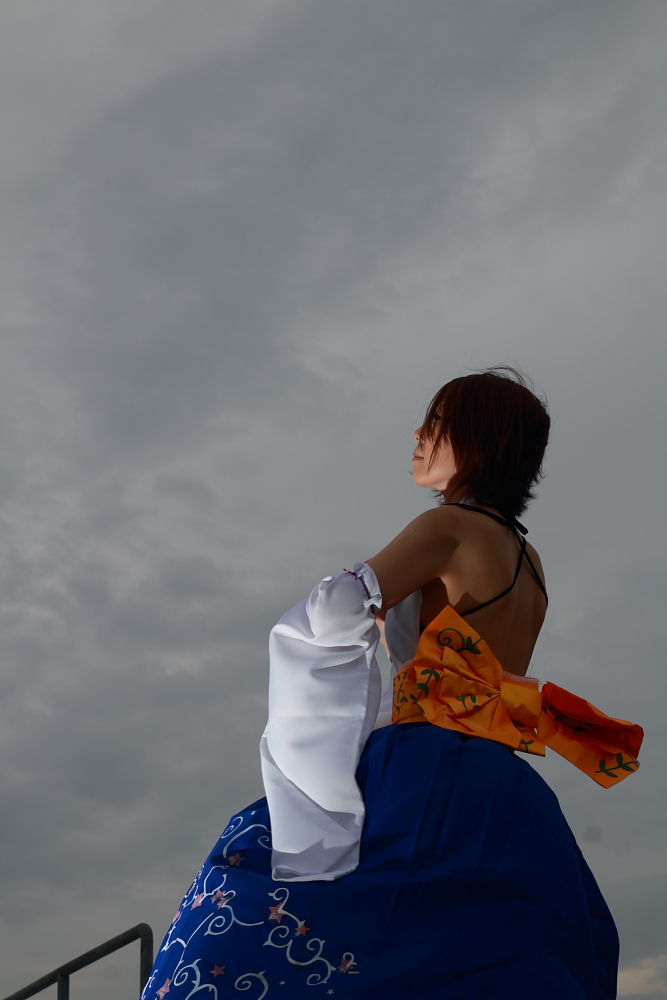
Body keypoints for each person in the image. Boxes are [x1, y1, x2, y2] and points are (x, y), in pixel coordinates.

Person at [141, 368, 642, 1000]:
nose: (418, 435)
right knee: (479, 957)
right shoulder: (532, 564)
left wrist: (340, 626)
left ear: (479, 441)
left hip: (424, 769)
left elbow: (336, 606)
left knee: (274, 909)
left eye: (437, 424)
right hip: (502, 786)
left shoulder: (449, 526)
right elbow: (470, 657)